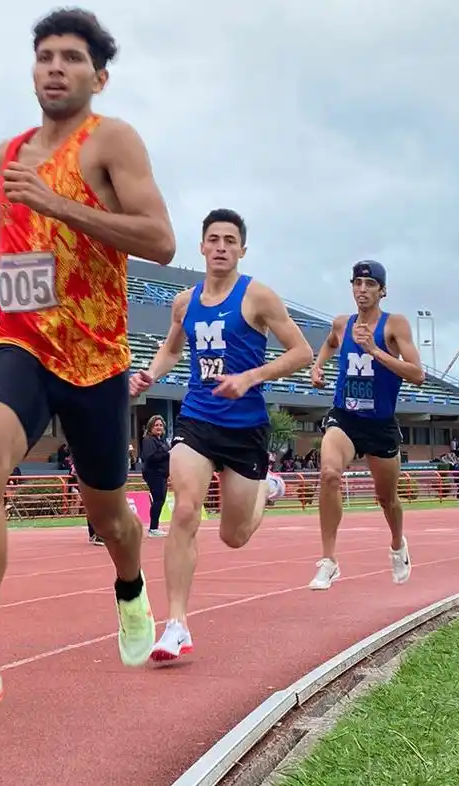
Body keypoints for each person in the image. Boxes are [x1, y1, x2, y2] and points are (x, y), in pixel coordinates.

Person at [0, 8, 175, 732]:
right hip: (23, 339)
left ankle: (130, 589)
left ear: (98, 75)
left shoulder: (113, 141)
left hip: (94, 358)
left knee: (111, 517)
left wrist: (59, 201)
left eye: (70, 57)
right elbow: (10, 217)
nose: (54, 67)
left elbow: (158, 238)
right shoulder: (9, 154)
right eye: (44, 56)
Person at [130, 208, 314, 661]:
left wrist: (251, 377)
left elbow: (302, 352)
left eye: (230, 241)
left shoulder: (258, 297)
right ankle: (175, 624)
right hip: (196, 418)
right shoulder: (184, 302)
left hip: (245, 426)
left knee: (234, 536)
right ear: (202, 246)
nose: (221, 247)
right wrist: (150, 374)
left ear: (242, 250)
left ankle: (268, 489)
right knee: (186, 511)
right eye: (214, 239)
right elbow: (172, 348)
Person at [307, 261, 425, 591]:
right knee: (329, 474)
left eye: (370, 284)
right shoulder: (342, 324)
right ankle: (329, 561)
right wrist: (318, 367)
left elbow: (417, 374)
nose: (362, 289)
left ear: (382, 290)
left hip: (380, 423)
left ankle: (398, 545)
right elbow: (331, 343)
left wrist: (374, 351)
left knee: (387, 498)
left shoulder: (394, 325)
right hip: (345, 417)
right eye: (357, 282)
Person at [139, 415, 170, 538]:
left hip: (162, 474)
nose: (159, 427)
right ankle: (153, 528)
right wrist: (167, 454)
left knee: (160, 500)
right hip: (154, 474)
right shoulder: (148, 440)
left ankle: (154, 527)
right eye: (156, 425)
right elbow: (149, 457)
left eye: (161, 425)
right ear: (150, 427)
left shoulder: (162, 440)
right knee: (158, 500)